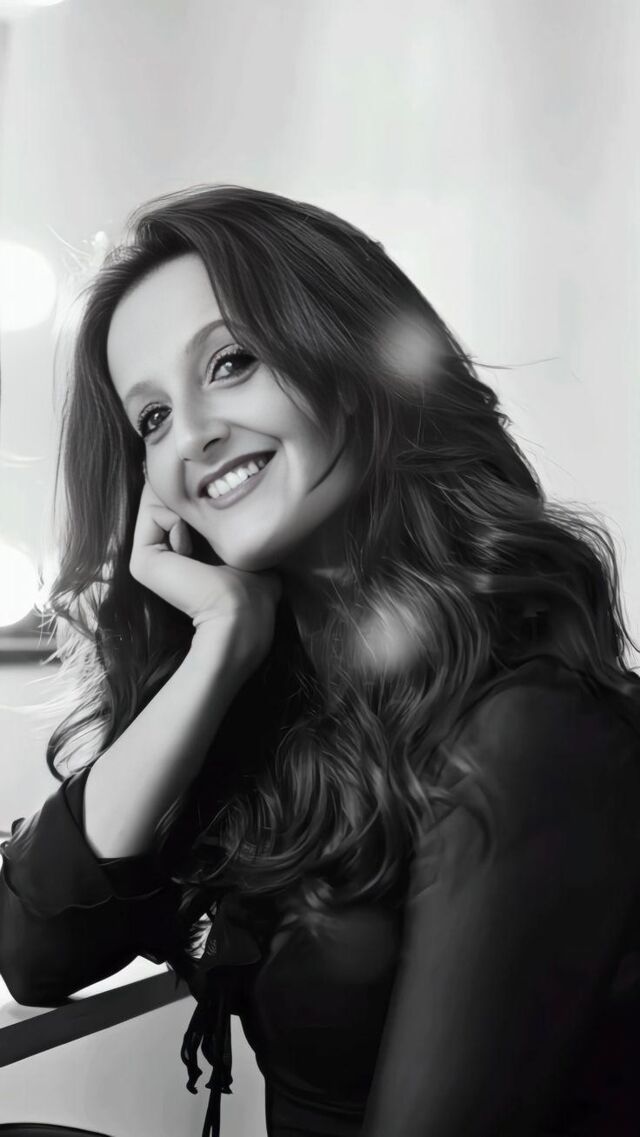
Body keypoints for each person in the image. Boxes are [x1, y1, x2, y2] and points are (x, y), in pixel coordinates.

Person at [1, 185, 640, 1137]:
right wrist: (216, 652)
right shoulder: (271, 701)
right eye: (152, 419)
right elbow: (34, 954)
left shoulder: (536, 726)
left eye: (231, 362)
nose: (193, 436)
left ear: (355, 360)